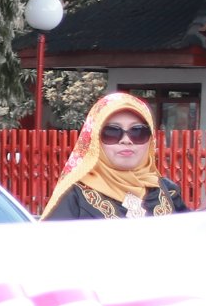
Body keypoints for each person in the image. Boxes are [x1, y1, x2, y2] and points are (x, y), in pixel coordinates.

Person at [41, 93, 185, 220]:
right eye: (112, 132)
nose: (126, 140)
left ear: (151, 139)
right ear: (94, 140)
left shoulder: (168, 191)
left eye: (138, 131)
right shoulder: (73, 195)